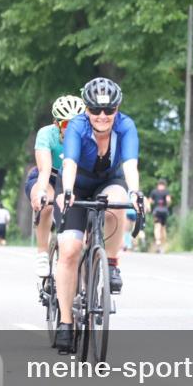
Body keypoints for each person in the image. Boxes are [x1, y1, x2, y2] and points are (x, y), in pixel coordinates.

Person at [55, 77, 142, 353]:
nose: (102, 116)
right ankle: (66, 323)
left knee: (119, 203)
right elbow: (69, 162)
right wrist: (67, 190)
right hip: (77, 183)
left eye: (109, 110)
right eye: (95, 110)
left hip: (109, 181)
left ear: (117, 109)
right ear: (87, 109)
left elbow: (129, 164)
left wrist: (136, 193)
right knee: (70, 249)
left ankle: (112, 263)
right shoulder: (78, 127)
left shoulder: (125, 126)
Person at [27, 95, 86, 276]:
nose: (72, 130)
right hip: (50, 177)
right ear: (56, 123)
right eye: (67, 125)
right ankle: (42, 254)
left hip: (75, 179)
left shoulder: (88, 135)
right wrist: (42, 192)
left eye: (77, 124)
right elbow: (44, 169)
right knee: (47, 204)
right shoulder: (46, 134)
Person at [149, 178, 172, 253]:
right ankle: (163, 245)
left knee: (157, 227)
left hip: (157, 211)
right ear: (164, 185)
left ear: (158, 185)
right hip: (164, 211)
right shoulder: (166, 191)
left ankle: (158, 241)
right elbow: (168, 200)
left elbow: (150, 201)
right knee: (163, 228)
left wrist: (153, 204)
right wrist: (167, 206)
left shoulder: (154, 192)